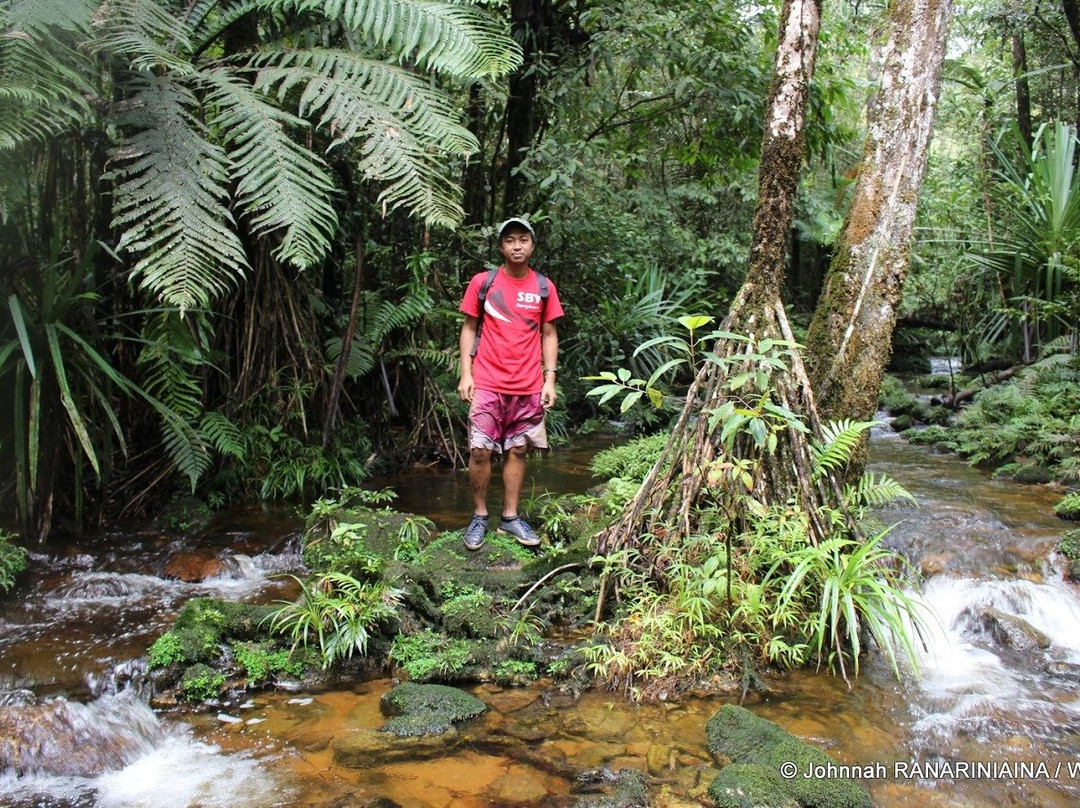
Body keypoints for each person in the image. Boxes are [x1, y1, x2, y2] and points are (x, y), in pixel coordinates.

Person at [457, 217, 564, 550]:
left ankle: (510, 519)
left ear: (532, 245)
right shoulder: (483, 282)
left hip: (528, 383)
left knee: (518, 450)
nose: (517, 246)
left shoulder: (544, 287)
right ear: (501, 246)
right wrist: (466, 372)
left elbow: (549, 334)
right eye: (509, 240)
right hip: (488, 380)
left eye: (523, 240)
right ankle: (478, 517)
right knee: (480, 450)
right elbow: (469, 328)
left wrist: (550, 379)